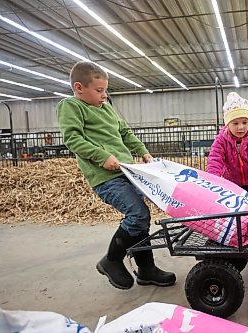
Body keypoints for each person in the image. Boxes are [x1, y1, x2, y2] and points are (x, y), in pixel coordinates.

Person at [56, 61, 175, 290]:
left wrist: (143, 152)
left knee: (141, 219)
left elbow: (124, 132)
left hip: (127, 171)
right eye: (99, 90)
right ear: (79, 87)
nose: (104, 95)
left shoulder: (106, 107)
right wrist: (102, 156)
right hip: (105, 176)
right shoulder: (71, 106)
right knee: (138, 214)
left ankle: (146, 269)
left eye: (105, 90)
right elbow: (73, 139)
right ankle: (111, 261)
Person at [207, 91, 248, 197]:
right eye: (235, 123)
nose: (241, 127)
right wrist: (213, 180)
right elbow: (215, 160)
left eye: (245, 122)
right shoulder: (221, 140)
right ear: (227, 124)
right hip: (231, 183)